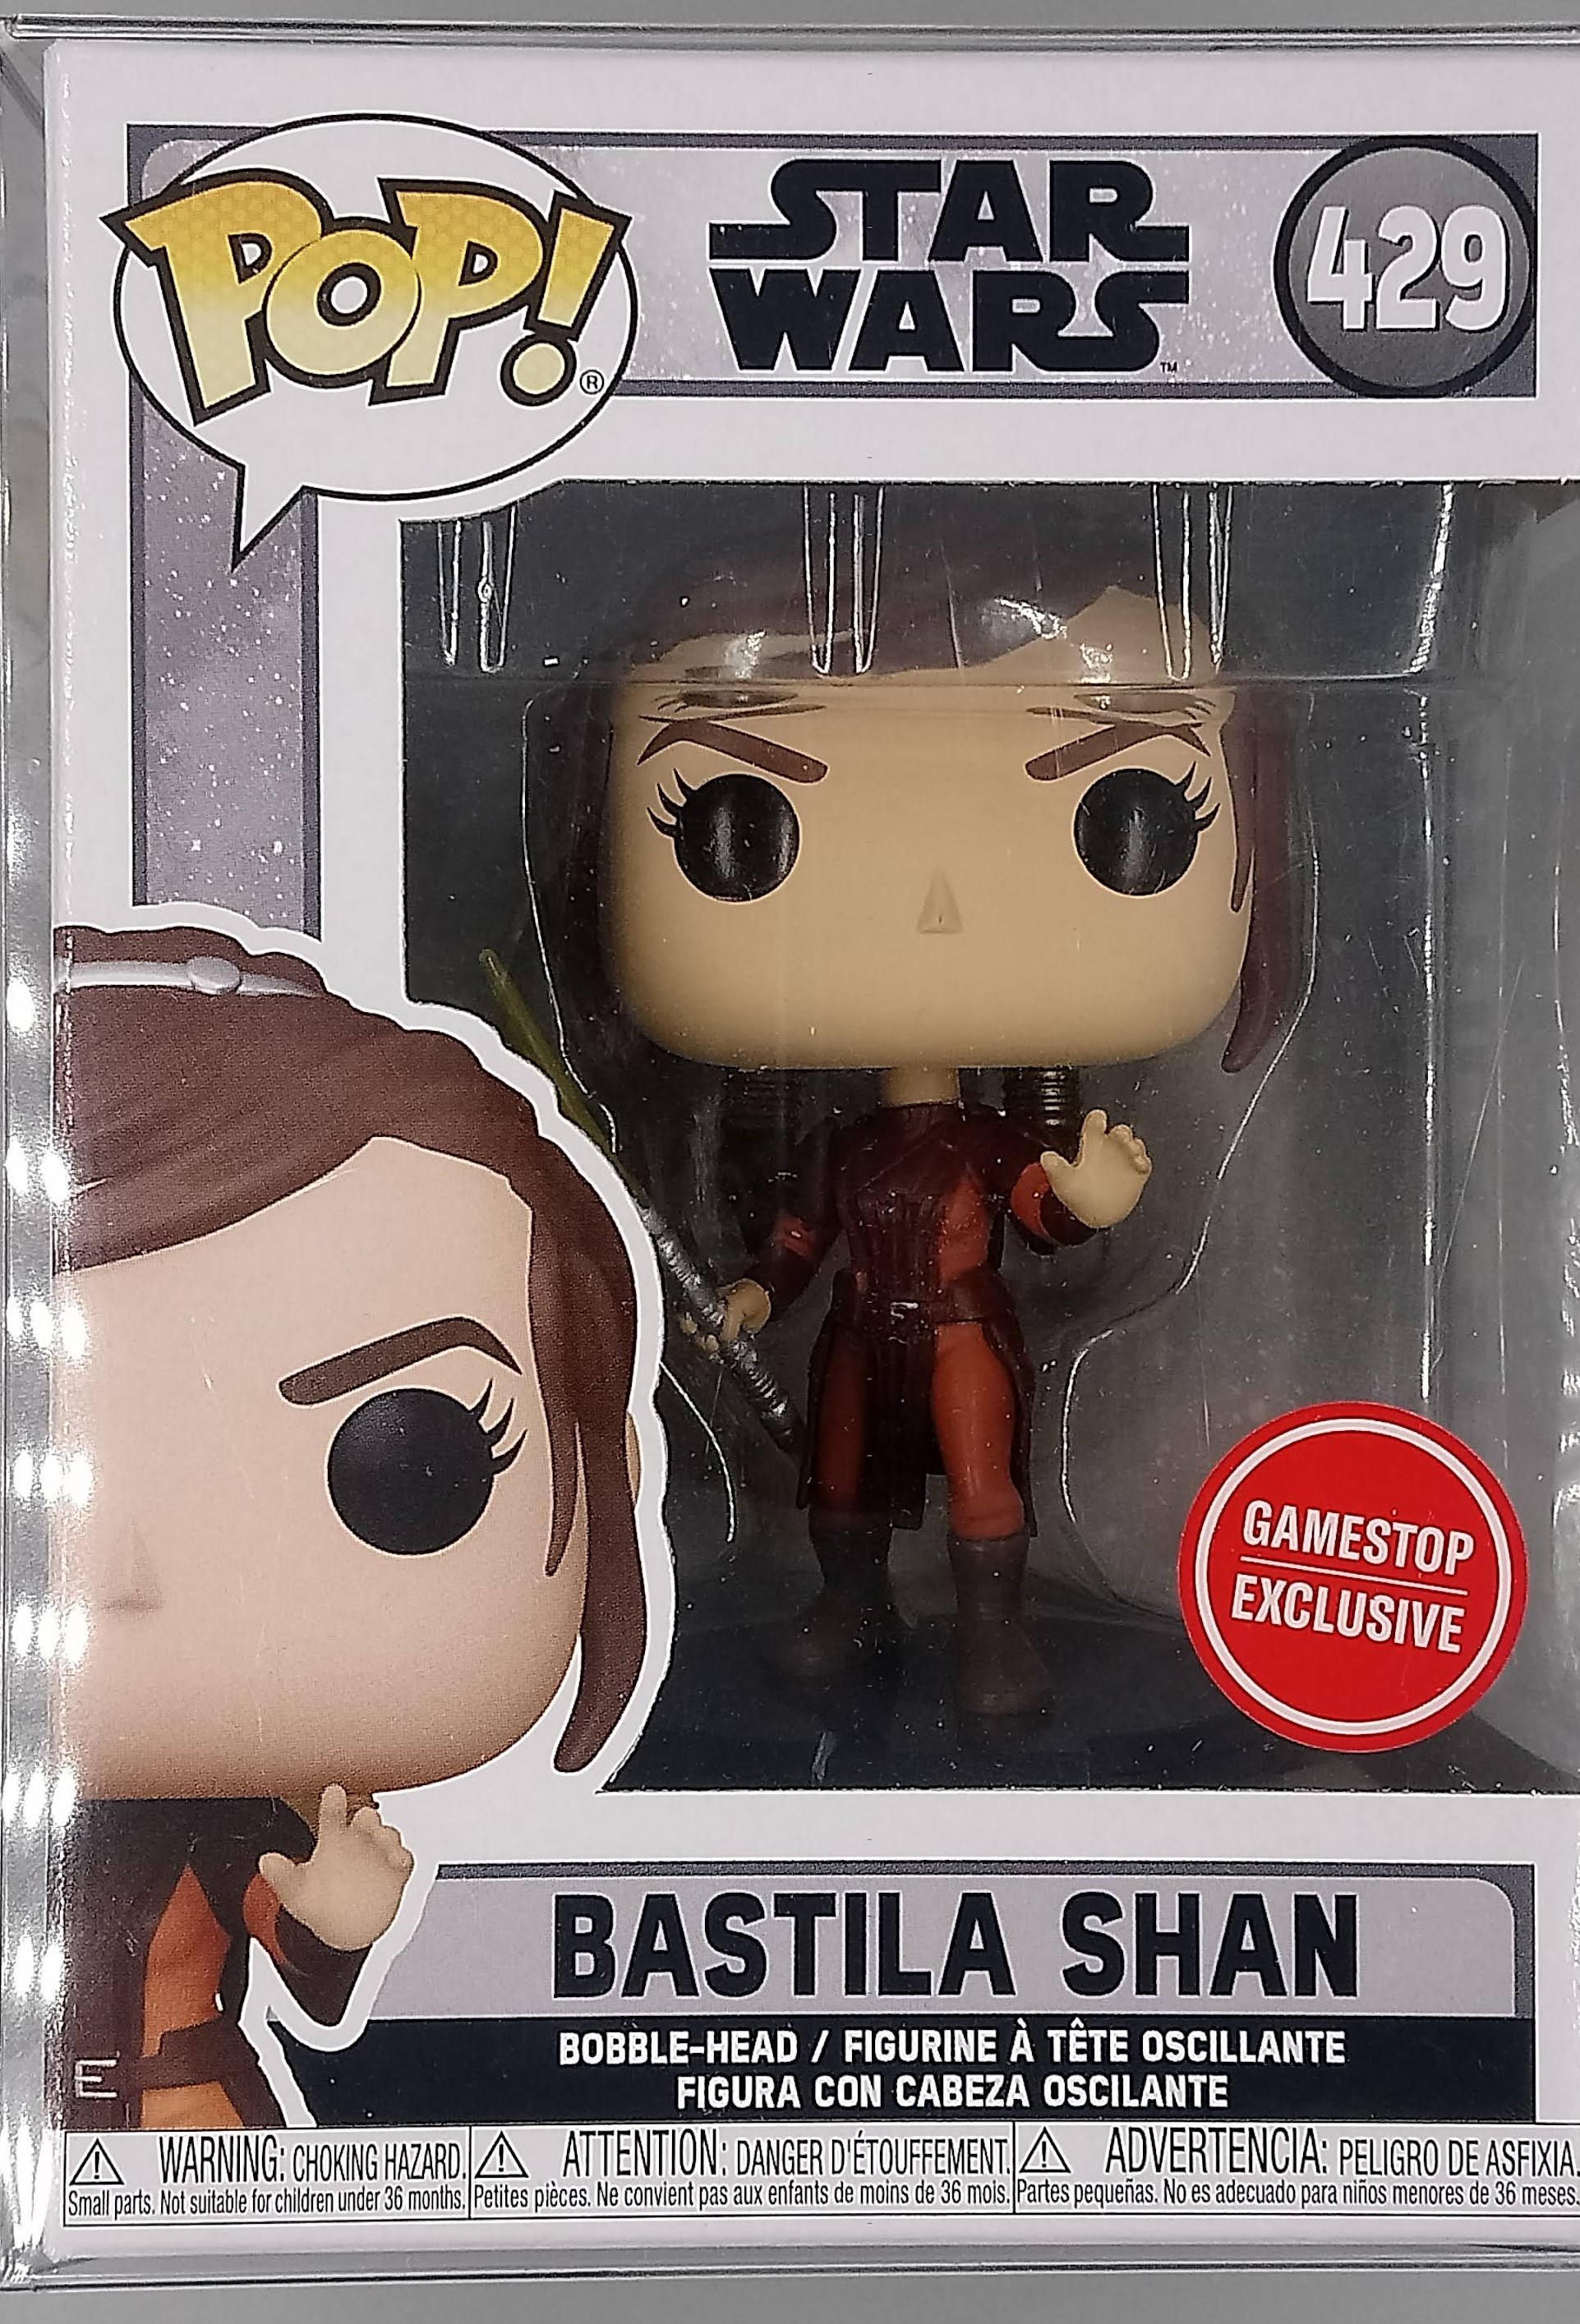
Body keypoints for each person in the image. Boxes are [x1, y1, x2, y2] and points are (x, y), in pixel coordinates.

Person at [532, 489, 1292, 1718]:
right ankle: (850, 1603)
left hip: (958, 1325)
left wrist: (1086, 1200)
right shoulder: (843, 1145)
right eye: (735, 821)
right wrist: (749, 1295)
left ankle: (993, 1627)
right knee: (842, 1477)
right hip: (858, 1328)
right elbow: (798, 1236)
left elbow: (1036, 1208)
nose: (937, 907)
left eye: (1132, 816)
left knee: (981, 1477)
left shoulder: (985, 1142)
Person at [48, 923, 650, 2128]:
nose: (114, 1571)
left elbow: (295, 1931)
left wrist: (341, 1917)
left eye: (418, 1463)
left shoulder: (232, 1823)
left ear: (604, 1470)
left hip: (187, 2123)